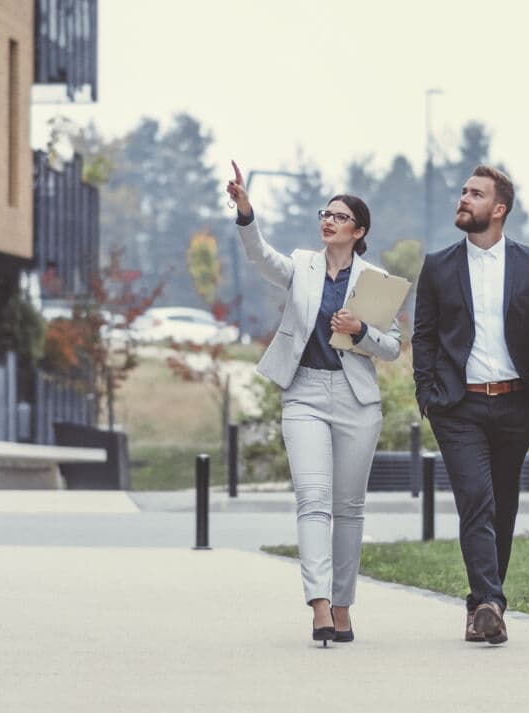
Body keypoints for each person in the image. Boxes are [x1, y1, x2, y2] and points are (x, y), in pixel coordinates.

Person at [226, 160, 403, 647]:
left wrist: (360, 331)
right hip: (302, 391)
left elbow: (392, 347)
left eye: (339, 216)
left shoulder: (376, 281)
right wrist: (246, 213)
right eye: (325, 213)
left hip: (355, 399)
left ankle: (343, 608)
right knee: (313, 500)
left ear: (358, 230)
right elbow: (261, 258)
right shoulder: (302, 264)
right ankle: (319, 605)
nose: (328, 220)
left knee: (348, 509)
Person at [411, 165, 529, 646]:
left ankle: (480, 608)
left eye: (474, 194)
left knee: (503, 507)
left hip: (516, 403)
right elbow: (425, 336)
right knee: (476, 500)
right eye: (462, 192)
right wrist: (428, 396)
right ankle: (493, 604)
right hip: (459, 407)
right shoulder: (438, 265)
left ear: (498, 209)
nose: (463, 198)